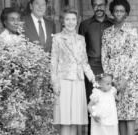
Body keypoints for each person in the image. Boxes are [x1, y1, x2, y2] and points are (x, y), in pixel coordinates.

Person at [51, 7, 95, 135]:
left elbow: (84, 62)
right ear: (62, 21)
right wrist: (55, 83)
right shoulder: (58, 38)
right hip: (63, 81)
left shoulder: (81, 39)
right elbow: (54, 62)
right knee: (65, 120)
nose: (71, 22)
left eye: (73, 19)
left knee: (75, 120)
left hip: (78, 81)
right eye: (67, 19)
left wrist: (93, 78)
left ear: (77, 21)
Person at [102, 0, 138, 135]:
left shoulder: (131, 31)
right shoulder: (107, 33)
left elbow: (134, 56)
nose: (118, 13)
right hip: (113, 79)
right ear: (112, 13)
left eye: (122, 11)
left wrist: (125, 78)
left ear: (126, 13)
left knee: (129, 116)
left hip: (129, 79)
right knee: (118, 116)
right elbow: (105, 57)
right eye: (116, 11)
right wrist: (110, 79)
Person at [78, 0, 113, 134]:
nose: (99, 8)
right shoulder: (85, 25)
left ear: (106, 6)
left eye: (101, 5)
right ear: (92, 6)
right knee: (92, 104)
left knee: (108, 103)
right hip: (92, 69)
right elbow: (81, 50)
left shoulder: (112, 24)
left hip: (109, 69)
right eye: (95, 5)